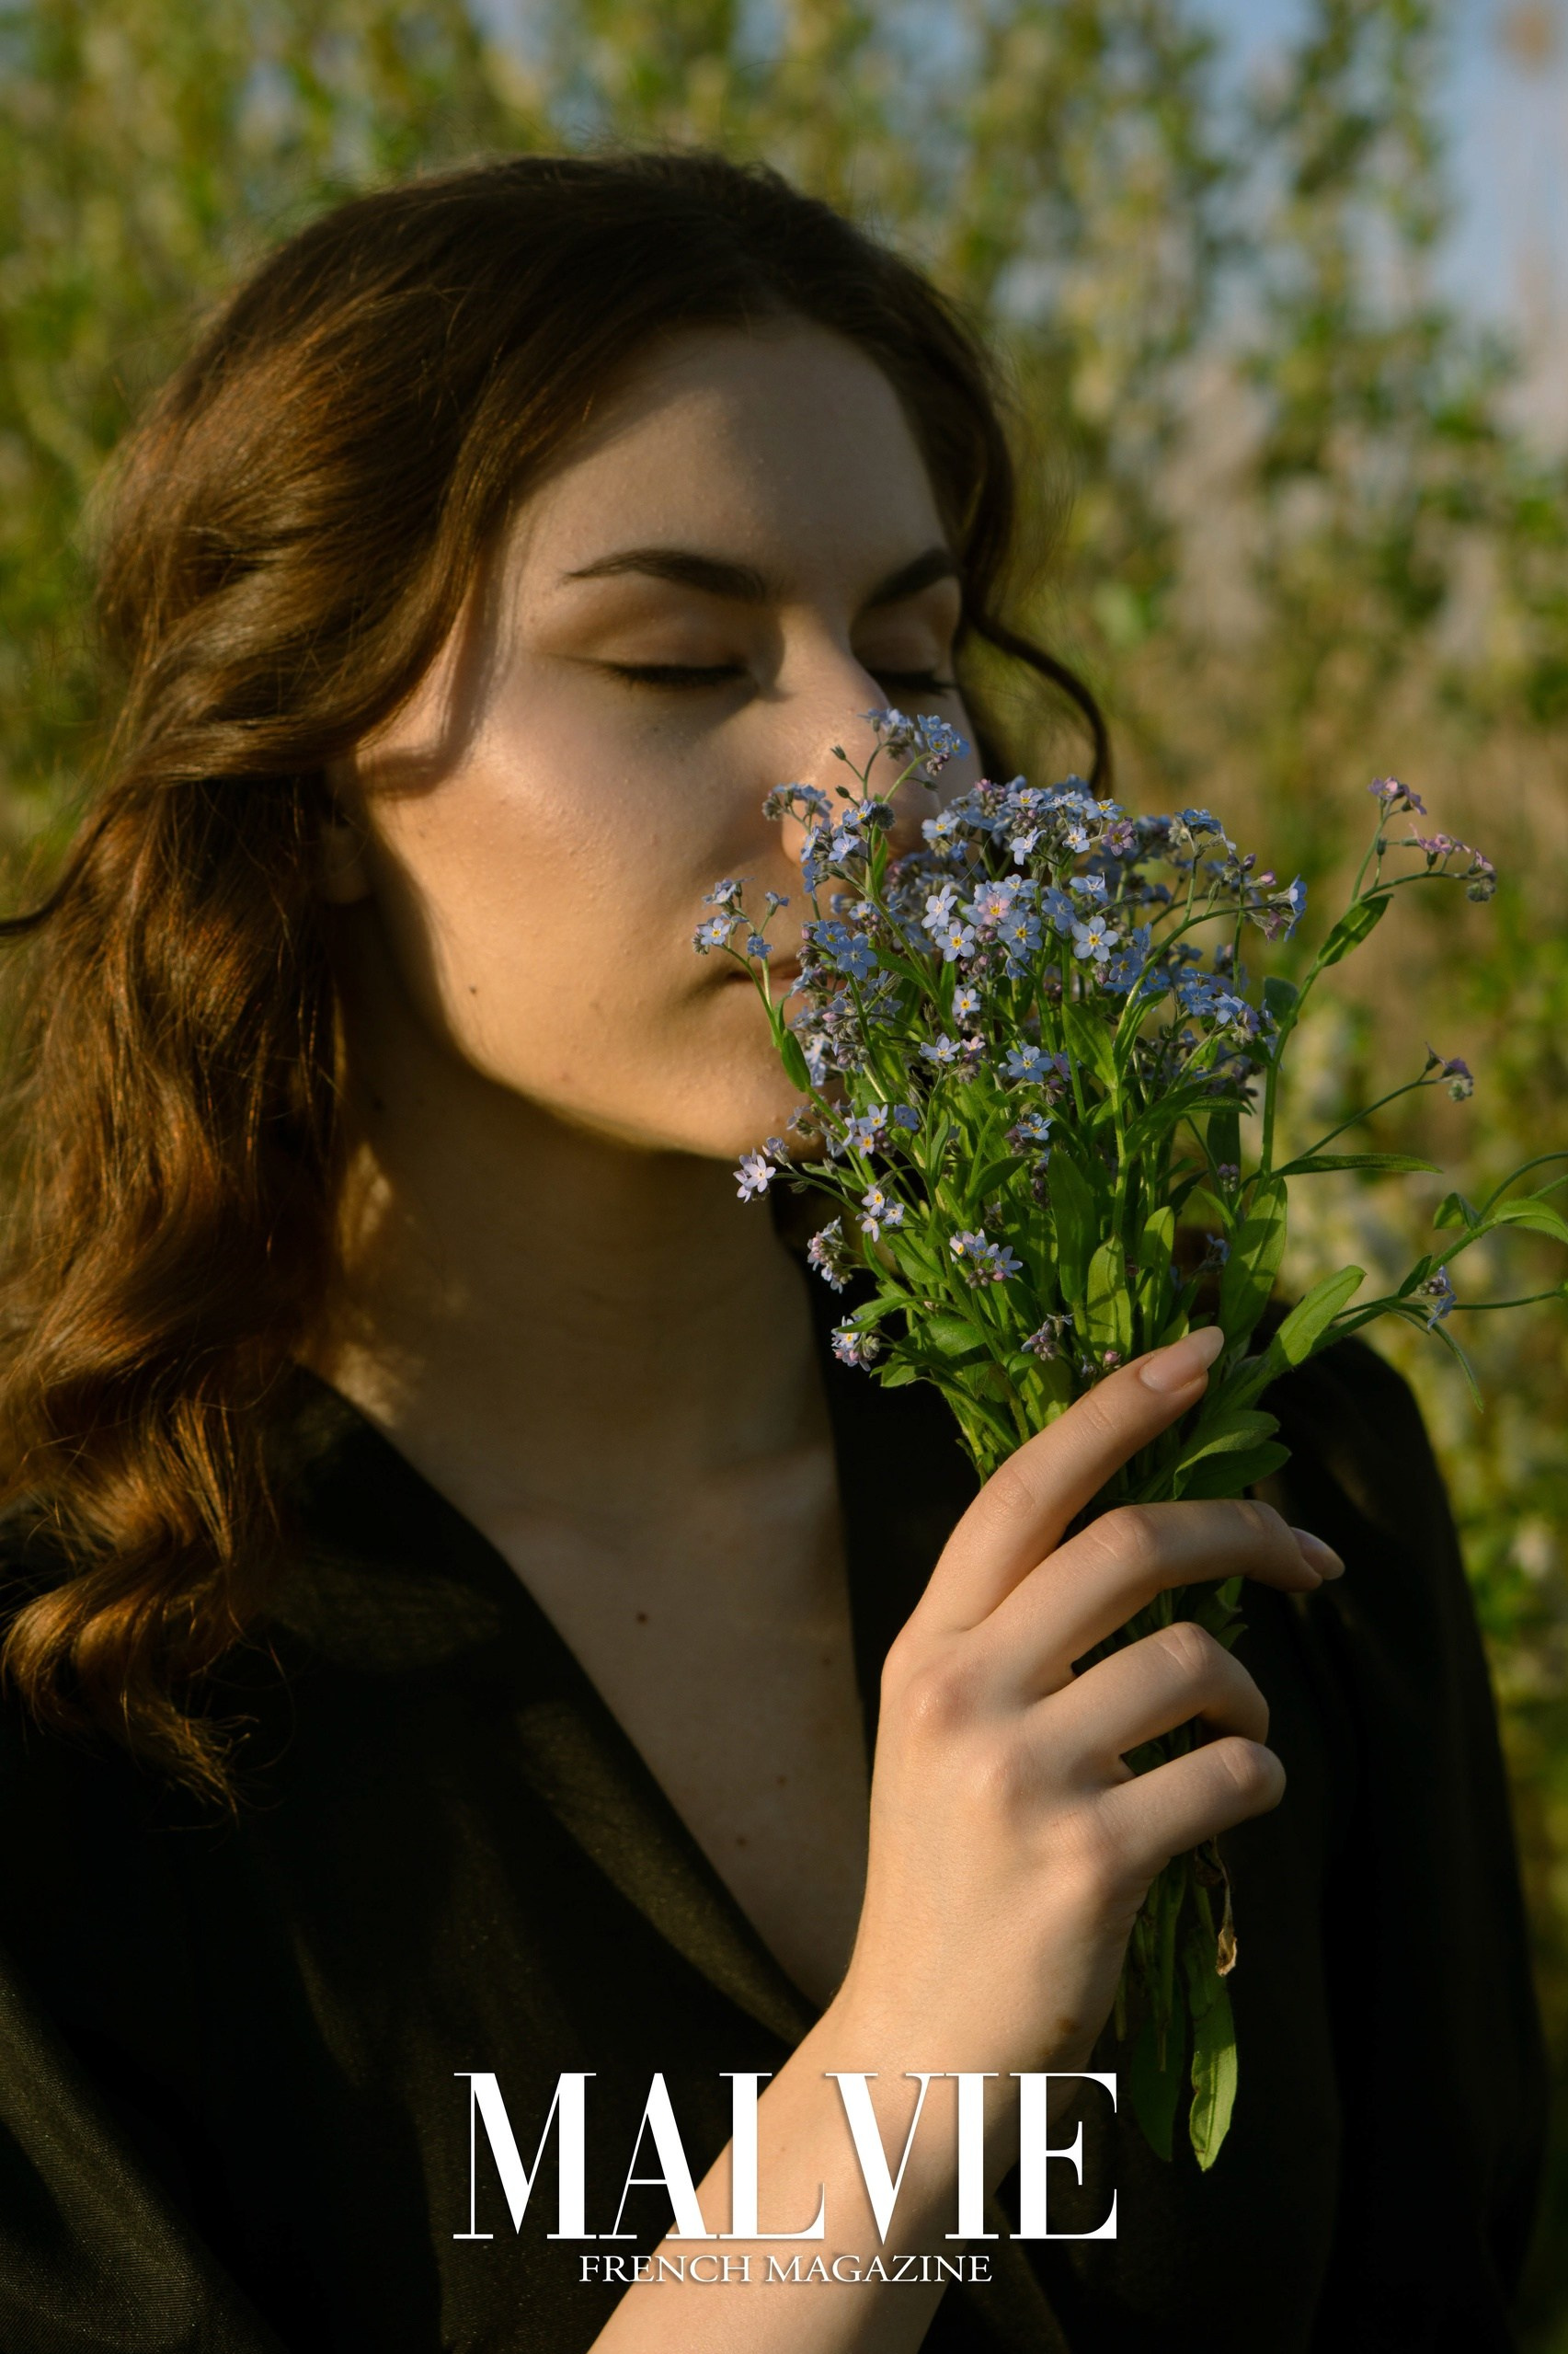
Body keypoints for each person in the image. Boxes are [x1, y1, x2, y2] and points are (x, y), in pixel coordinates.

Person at [0, 151, 1544, 2354]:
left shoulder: (1247, 1480)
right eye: (676, 657)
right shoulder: (74, 1685)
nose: (873, 773)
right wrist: (893, 2080)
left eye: (910, 654)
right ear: (313, 770)